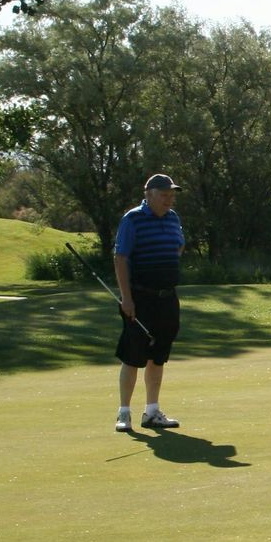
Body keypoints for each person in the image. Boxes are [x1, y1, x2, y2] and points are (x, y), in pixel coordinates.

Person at [113, 174, 186, 432]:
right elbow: (120, 258)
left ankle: (152, 412)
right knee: (134, 356)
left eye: (172, 195)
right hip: (140, 297)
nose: (170, 199)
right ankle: (124, 413)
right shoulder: (132, 219)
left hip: (167, 298)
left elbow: (178, 246)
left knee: (159, 355)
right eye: (165, 194)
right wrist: (127, 298)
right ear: (149, 194)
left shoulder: (173, 218)